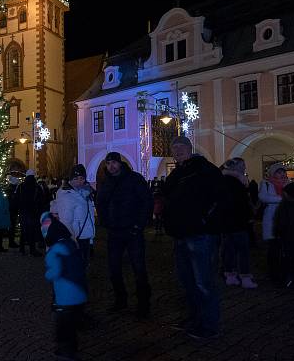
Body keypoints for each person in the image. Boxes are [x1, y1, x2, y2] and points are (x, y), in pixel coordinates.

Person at [163, 136, 226, 340]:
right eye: (174, 148)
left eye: (181, 147)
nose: (178, 151)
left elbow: (219, 197)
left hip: (200, 234)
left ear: (190, 149)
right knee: (188, 281)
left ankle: (209, 325)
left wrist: (204, 220)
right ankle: (195, 318)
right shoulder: (177, 173)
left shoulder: (203, 169)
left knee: (203, 282)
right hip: (180, 234)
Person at [95, 152, 152, 317]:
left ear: (120, 163)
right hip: (114, 231)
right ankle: (120, 300)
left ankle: (143, 304)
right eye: (108, 163)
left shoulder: (134, 179)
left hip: (133, 231)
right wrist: (105, 222)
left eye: (114, 162)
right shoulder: (106, 182)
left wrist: (139, 225)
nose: (111, 166)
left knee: (139, 268)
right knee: (114, 269)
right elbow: (101, 203)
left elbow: (146, 201)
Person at [41, 212, 87, 361]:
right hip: (80, 294)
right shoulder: (72, 244)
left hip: (65, 298)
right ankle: (72, 348)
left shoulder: (53, 252)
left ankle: (65, 353)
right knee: (72, 326)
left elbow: (53, 273)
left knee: (63, 328)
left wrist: (47, 273)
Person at [52, 164, 95, 277]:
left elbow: (89, 216)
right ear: (70, 179)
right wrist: (71, 240)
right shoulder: (67, 195)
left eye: (81, 178)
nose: (79, 181)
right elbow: (66, 221)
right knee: (74, 269)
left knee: (82, 266)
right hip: (75, 238)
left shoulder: (85, 193)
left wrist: (90, 239)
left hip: (84, 237)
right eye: (75, 178)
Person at [220, 158, 257, 289]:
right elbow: (241, 202)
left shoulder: (224, 180)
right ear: (235, 167)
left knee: (229, 249)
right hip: (238, 221)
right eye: (242, 165)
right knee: (243, 250)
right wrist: (249, 216)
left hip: (226, 221)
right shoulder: (236, 181)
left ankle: (230, 275)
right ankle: (245, 276)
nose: (244, 167)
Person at [259, 163, 288, 284]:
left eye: (283, 172)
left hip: (286, 220)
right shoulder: (265, 183)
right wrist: (283, 199)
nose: (281, 175)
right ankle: (274, 274)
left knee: (284, 248)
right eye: (278, 172)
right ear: (272, 173)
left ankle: (284, 272)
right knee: (273, 249)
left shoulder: (288, 184)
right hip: (271, 220)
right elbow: (264, 197)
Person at [16, 169, 45, 257]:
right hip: (33, 212)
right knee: (32, 231)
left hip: (23, 211)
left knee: (23, 230)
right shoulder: (37, 186)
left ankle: (22, 249)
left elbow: (17, 198)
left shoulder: (20, 186)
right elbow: (41, 200)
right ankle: (32, 250)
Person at [5, 174, 21, 248]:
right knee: (12, 226)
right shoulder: (12, 190)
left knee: (12, 226)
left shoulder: (10, 189)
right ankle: (11, 242)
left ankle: (11, 241)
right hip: (12, 210)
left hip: (12, 210)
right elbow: (13, 201)